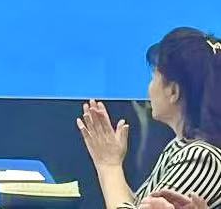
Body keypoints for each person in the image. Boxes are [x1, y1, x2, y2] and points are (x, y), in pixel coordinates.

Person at [78, 27, 221, 209]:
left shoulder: (202, 158)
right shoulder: (180, 146)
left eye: (154, 77)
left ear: (173, 91)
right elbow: (138, 205)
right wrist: (110, 162)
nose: (149, 88)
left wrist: (109, 167)